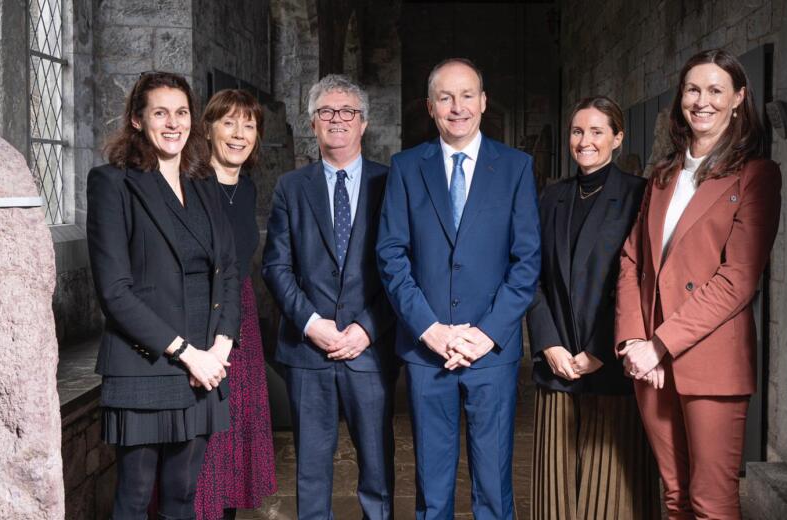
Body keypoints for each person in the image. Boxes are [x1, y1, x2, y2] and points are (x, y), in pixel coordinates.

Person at [616, 48, 782, 519]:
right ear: (680, 98)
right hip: (648, 360)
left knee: (710, 501)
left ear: (738, 99)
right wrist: (633, 339)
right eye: (693, 89)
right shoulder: (663, 176)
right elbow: (633, 259)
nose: (702, 101)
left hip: (707, 360)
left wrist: (662, 343)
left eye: (715, 90)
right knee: (673, 495)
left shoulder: (756, 176)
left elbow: (737, 280)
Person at [376, 57, 541, 520]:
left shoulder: (515, 168)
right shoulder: (406, 168)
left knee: (493, 485)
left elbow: (526, 262)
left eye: (467, 95)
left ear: (484, 102)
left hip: (491, 351)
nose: (457, 107)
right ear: (430, 107)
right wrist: (430, 329)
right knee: (432, 487)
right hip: (428, 351)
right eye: (445, 97)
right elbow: (391, 256)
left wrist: (485, 333)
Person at [87, 71, 237, 520]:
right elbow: (114, 291)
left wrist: (220, 346)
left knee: (182, 499)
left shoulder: (204, 184)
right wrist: (188, 354)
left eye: (182, 112)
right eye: (160, 113)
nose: (173, 123)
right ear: (137, 120)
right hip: (146, 365)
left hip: (203, 367)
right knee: (134, 501)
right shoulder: (112, 183)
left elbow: (228, 272)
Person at [262, 74, 396, 520]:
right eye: (326, 112)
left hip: (370, 350)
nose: (336, 120)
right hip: (308, 351)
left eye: (347, 112)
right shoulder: (291, 188)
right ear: (313, 124)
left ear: (363, 124)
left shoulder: (392, 182)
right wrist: (311, 323)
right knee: (311, 471)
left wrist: (367, 328)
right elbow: (276, 267)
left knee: (377, 469)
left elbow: (402, 268)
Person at [527, 95, 659, 519]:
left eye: (597, 131)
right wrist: (548, 344)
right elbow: (532, 277)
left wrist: (601, 350)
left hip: (610, 365)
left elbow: (641, 282)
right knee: (555, 495)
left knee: (612, 496)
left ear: (617, 138)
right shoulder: (551, 196)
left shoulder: (640, 195)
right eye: (578, 131)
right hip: (558, 363)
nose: (585, 141)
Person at [193, 89, 277, 520]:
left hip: (240, 321)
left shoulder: (247, 189)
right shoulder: (188, 186)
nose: (239, 134)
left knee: (231, 444)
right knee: (200, 448)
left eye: (249, 124)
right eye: (228, 123)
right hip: (199, 323)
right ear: (207, 129)